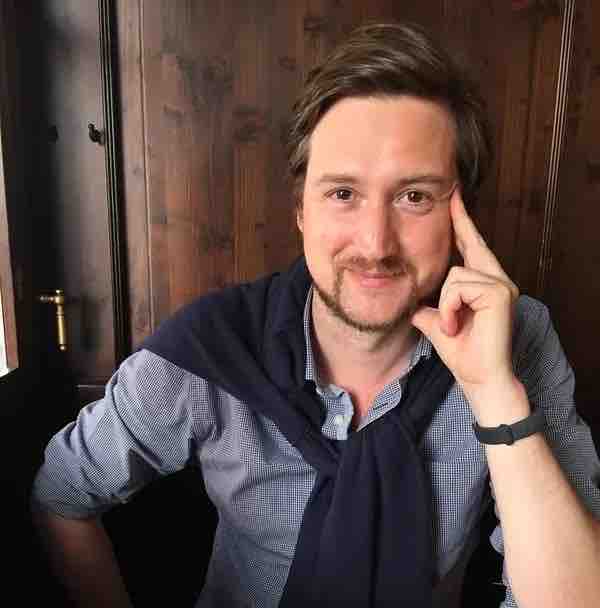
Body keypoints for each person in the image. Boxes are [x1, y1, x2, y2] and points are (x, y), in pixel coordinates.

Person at [31, 22, 600, 608]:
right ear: (302, 210)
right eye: (343, 193)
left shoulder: (518, 340)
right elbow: (63, 492)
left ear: (462, 217)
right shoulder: (212, 348)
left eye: (415, 197)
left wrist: (495, 392)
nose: (376, 244)